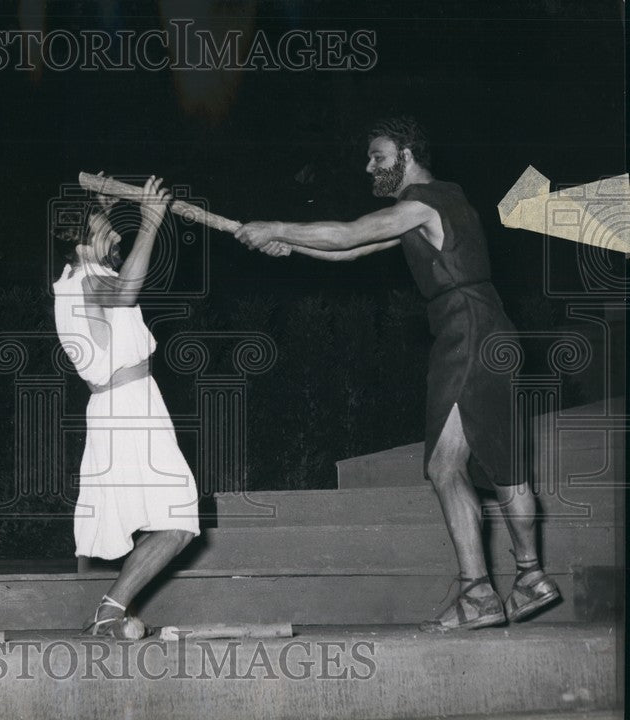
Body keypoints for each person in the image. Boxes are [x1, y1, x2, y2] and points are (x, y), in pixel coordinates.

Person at [234, 117, 560, 632]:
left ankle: (478, 592)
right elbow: (356, 248)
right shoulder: (445, 200)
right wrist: (292, 244)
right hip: (493, 330)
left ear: (406, 154)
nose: (370, 166)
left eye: (378, 157)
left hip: (467, 334)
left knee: (445, 467)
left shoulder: (421, 202)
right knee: (504, 466)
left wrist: (275, 226)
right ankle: (531, 578)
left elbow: (350, 233)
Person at [53, 175, 199, 638]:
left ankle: (109, 613)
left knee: (176, 521)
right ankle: (109, 611)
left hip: (129, 406)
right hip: (126, 411)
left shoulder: (83, 277)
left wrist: (103, 202)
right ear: (79, 239)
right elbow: (126, 292)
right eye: (104, 227)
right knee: (179, 519)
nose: (115, 234)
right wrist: (152, 222)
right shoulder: (87, 279)